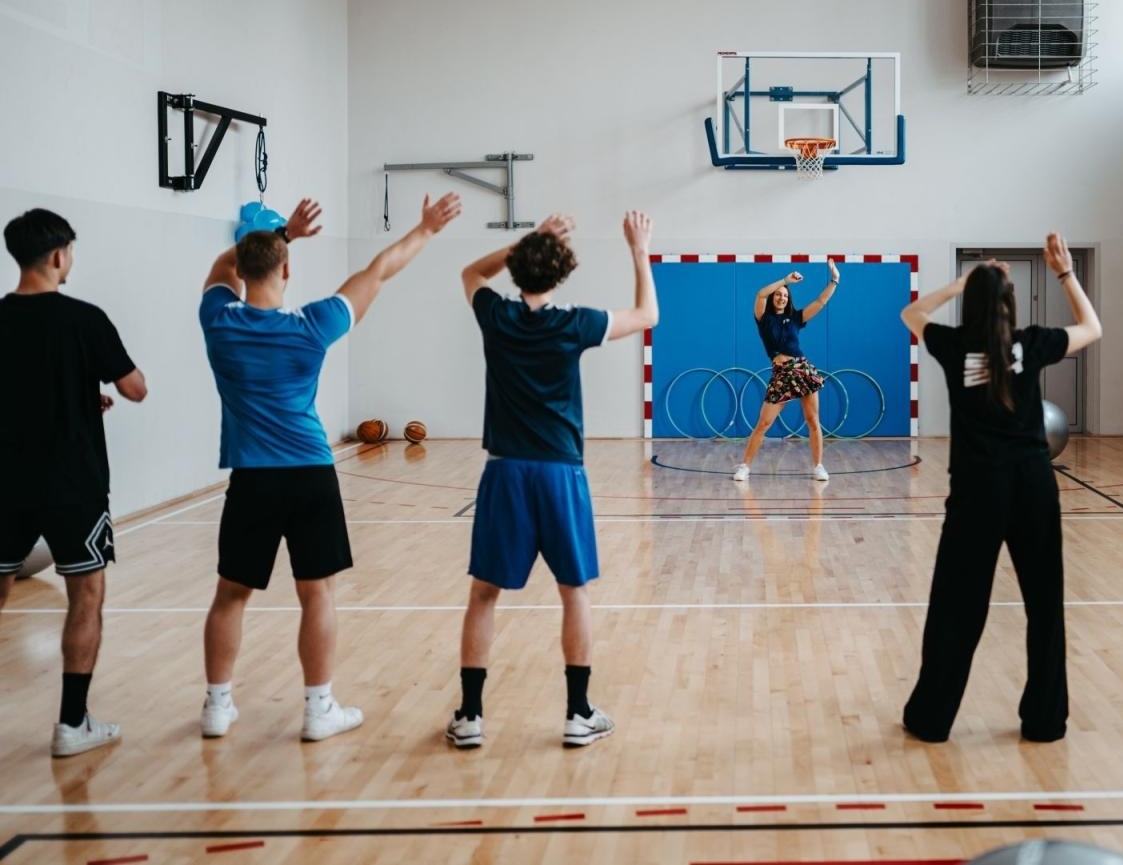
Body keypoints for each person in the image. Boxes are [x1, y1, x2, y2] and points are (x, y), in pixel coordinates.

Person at [198, 193, 461, 742]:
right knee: (316, 593)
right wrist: (426, 229)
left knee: (230, 595)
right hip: (309, 475)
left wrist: (281, 234)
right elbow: (378, 270)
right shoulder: (313, 325)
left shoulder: (218, 320)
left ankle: (217, 707)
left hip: (251, 478)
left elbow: (222, 266)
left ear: (242, 271)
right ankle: (319, 710)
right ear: (287, 271)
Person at [448, 211, 658, 751]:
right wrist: (639, 249)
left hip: (505, 472)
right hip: (560, 473)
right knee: (573, 591)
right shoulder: (574, 323)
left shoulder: (495, 315)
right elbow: (647, 314)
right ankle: (578, 714)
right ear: (562, 275)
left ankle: (470, 717)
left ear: (518, 268)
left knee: (483, 595)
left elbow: (471, 272)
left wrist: (529, 239)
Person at [898, 235, 1101, 743]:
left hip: (976, 491)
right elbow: (1092, 328)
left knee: (956, 606)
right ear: (1010, 303)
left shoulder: (952, 345)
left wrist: (960, 282)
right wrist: (1065, 274)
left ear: (971, 302)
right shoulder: (1032, 343)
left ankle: (931, 719)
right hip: (1033, 486)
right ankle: (1045, 721)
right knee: (1044, 603)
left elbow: (911, 313)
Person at [0, 209, 147, 757]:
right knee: (86, 595)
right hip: (73, 484)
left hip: (5, 484)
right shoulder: (85, 319)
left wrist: (78, 394)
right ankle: (71, 724)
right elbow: (135, 389)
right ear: (60, 254)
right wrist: (86, 387)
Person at [733, 259, 840, 483]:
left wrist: (834, 280)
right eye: (778, 294)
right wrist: (785, 281)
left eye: (785, 295)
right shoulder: (763, 318)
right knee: (763, 424)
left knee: (813, 420)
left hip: (801, 369)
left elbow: (820, 301)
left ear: (789, 299)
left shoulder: (795, 318)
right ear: (774, 297)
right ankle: (744, 466)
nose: (781, 297)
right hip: (781, 374)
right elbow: (760, 294)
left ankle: (818, 466)